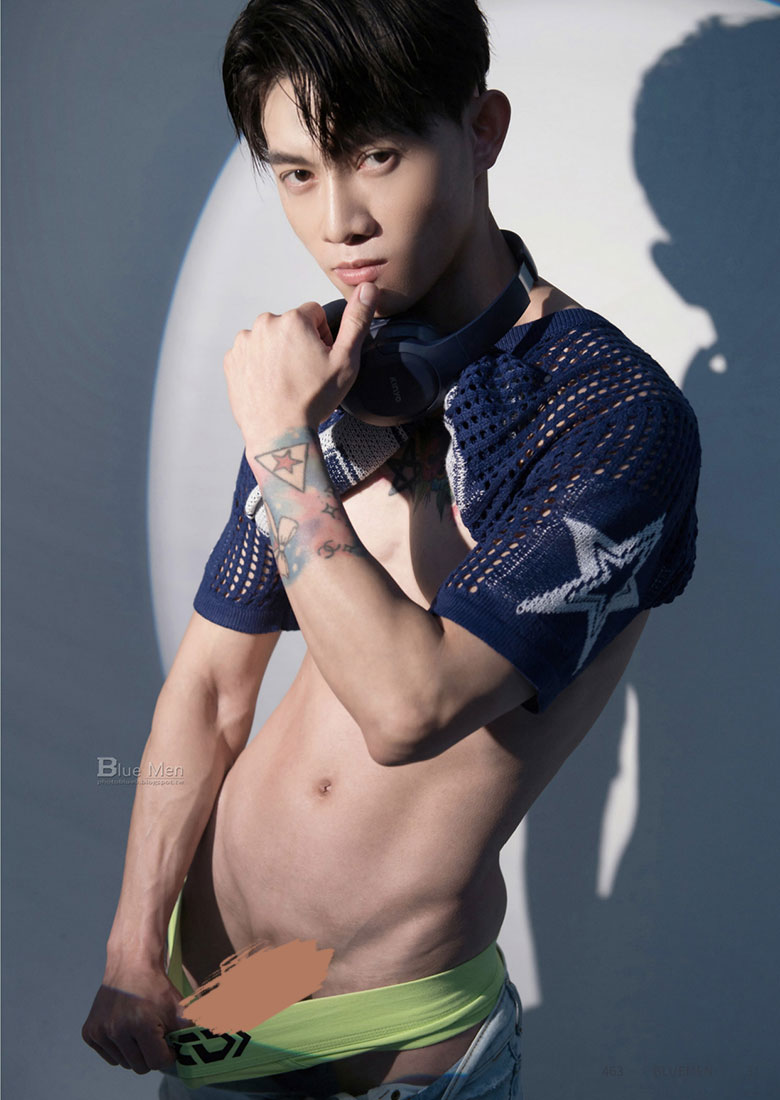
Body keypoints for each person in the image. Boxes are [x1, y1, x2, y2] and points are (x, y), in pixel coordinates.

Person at [81, 1, 701, 1098]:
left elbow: (409, 707)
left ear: (482, 128)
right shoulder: (321, 373)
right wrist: (134, 943)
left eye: (376, 155)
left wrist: (282, 443)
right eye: (297, 173)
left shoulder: (613, 414)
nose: (340, 222)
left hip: (396, 1033)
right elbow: (212, 690)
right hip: (217, 1002)